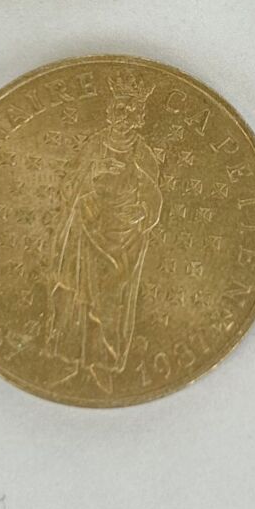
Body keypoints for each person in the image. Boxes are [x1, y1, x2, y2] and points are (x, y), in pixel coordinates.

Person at [44, 75, 164, 391]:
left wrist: (141, 213)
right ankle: (70, 361)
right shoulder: (95, 145)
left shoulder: (142, 153)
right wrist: (90, 183)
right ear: (110, 111)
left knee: (112, 300)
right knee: (76, 296)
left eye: (131, 111)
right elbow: (70, 184)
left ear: (139, 117)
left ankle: (103, 366)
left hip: (123, 238)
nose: (124, 116)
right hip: (85, 231)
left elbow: (153, 197)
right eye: (120, 108)